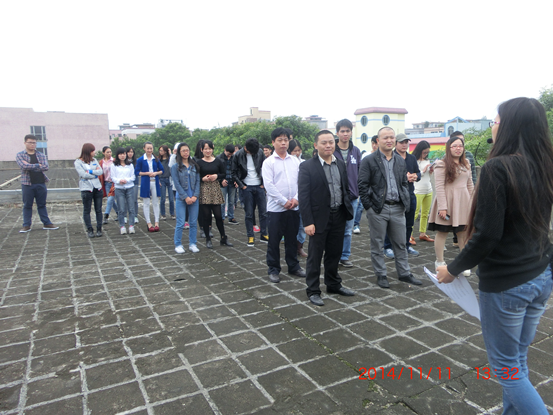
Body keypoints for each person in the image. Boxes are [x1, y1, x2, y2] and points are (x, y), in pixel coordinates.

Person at [436, 97, 553, 414]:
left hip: (507, 284)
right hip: (541, 275)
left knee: (506, 369)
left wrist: (452, 269)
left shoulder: (497, 168)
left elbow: (487, 234)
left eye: (496, 121)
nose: (493, 126)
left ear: (510, 125)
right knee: (517, 360)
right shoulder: (545, 165)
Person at [358, 127, 422, 289]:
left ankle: (404, 273)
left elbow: (403, 183)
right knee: (377, 243)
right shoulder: (369, 160)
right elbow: (362, 185)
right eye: (385, 138)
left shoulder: (400, 160)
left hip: (397, 208)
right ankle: (381, 274)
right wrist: (369, 207)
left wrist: (404, 202)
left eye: (391, 137)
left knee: (401, 243)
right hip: (378, 209)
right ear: (378, 141)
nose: (389, 140)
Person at [299, 130, 354, 306]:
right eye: (324, 142)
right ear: (316, 145)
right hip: (318, 218)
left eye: (331, 142)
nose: (328, 145)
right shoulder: (307, 166)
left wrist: (346, 209)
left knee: (334, 253)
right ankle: (313, 290)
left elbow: (344, 188)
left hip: (338, 215)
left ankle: (333, 284)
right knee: (315, 256)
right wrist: (308, 222)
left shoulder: (340, 164)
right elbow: (304, 196)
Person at [262, 128, 306, 283]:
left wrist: (296, 199)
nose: (283, 143)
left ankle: (293, 266)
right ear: (273, 142)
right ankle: (273, 269)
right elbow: (269, 185)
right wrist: (283, 201)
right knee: (274, 240)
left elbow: (301, 182)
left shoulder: (295, 161)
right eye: (280, 140)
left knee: (292, 239)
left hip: (293, 207)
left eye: (286, 140)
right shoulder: (268, 163)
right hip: (276, 209)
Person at [427, 135, 474, 274]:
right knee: (442, 232)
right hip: (447, 201)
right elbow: (439, 187)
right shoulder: (442, 164)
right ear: (449, 148)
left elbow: (470, 184)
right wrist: (443, 207)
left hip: (463, 202)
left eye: (461, 146)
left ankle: (463, 263)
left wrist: (473, 203)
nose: (458, 148)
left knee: (463, 233)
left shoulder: (466, 163)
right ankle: (440, 261)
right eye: (455, 146)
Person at [383, 133, 421, 258]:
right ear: (396, 144)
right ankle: (388, 247)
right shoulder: (390, 157)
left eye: (406, 142)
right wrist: (404, 177)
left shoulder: (411, 158)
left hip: (409, 193)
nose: (404, 145)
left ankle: (406, 245)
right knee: (391, 223)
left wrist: (415, 176)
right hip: (395, 195)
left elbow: (418, 173)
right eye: (401, 142)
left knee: (409, 222)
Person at [333, 119, 362, 267]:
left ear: (351, 132)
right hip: (335, 197)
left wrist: (358, 190)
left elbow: (360, 173)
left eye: (348, 131)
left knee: (348, 230)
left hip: (352, 197)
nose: (345, 134)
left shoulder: (355, 151)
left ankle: (344, 256)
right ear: (337, 133)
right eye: (342, 131)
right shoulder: (332, 150)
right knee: (334, 228)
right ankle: (333, 255)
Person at [16, 134, 59, 232]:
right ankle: (26, 225)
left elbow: (46, 167)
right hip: (27, 184)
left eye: (34, 143)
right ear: (25, 143)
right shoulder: (20, 155)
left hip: (40, 183)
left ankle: (47, 223)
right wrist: (37, 165)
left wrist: (30, 165)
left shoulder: (41, 155)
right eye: (30, 142)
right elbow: (23, 166)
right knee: (27, 205)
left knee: (42, 204)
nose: (32, 144)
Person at [197, 140, 233, 249]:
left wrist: (217, 176)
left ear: (212, 149)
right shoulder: (199, 163)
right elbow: (196, 177)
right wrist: (203, 179)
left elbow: (223, 174)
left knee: (218, 215)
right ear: (202, 150)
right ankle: (208, 238)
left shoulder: (218, 161)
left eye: (210, 148)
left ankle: (223, 237)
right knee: (206, 216)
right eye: (205, 149)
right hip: (204, 189)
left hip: (215, 188)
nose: (208, 151)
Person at [232, 138, 268, 246]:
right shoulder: (238, 155)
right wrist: (242, 185)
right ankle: (250, 236)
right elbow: (233, 172)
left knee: (263, 212)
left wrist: (263, 183)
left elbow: (265, 167)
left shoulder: (259, 152)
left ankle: (264, 234)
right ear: (245, 148)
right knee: (249, 213)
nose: (253, 154)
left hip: (259, 186)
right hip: (246, 187)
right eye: (251, 152)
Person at [449, 131, 477, 247]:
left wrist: (473, 190)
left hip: (466, 191)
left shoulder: (468, 156)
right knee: (454, 218)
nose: (459, 146)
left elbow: (472, 174)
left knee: (466, 219)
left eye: (462, 142)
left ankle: (464, 240)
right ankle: (456, 238)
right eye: (456, 143)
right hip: (453, 193)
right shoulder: (446, 158)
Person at [172, 143, 200, 254]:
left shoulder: (194, 166)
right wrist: (185, 197)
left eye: (187, 150)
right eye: (183, 150)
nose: (185, 152)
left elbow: (198, 181)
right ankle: (178, 244)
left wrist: (195, 195)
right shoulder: (175, 167)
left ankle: (193, 243)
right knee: (180, 222)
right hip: (181, 198)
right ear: (179, 152)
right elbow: (176, 184)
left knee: (193, 222)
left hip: (194, 198)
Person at [74, 143, 103, 238]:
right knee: (87, 210)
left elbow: (100, 171)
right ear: (88, 151)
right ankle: (89, 229)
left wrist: (90, 171)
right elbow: (83, 174)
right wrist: (94, 174)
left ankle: (99, 228)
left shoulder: (94, 160)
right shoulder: (78, 162)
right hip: (86, 188)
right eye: (92, 151)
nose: (94, 152)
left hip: (97, 187)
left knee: (98, 209)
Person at [135, 141, 164, 232]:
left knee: (155, 202)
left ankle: (156, 222)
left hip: (155, 182)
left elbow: (162, 170)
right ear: (144, 148)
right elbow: (137, 172)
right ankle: (148, 223)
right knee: (146, 203)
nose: (149, 150)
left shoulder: (156, 159)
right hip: (145, 183)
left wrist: (156, 173)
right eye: (148, 148)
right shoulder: (140, 160)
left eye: (151, 148)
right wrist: (146, 173)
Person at [353, 135, 378, 234]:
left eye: (377, 143)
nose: (375, 145)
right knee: (361, 206)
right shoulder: (366, 156)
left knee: (375, 207)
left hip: (377, 187)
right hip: (367, 185)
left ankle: (372, 226)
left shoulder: (383, 156)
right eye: (374, 143)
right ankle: (356, 224)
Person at [411, 140, 434, 243]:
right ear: (420, 150)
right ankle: (409, 234)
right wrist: (423, 171)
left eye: (427, 152)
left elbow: (428, 176)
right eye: (424, 152)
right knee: (414, 214)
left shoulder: (427, 161)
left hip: (428, 189)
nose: (426, 154)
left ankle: (423, 233)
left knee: (425, 213)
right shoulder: (413, 161)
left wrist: (431, 170)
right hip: (417, 190)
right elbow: (414, 176)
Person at [288, 139, 307, 257]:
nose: (297, 153)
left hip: (303, 197)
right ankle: (291, 246)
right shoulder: (287, 164)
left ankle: (299, 246)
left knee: (303, 224)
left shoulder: (304, 163)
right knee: (292, 225)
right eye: (294, 151)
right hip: (291, 199)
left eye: (299, 150)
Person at [111, 148, 136, 235]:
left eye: (124, 154)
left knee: (131, 208)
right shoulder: (114, 165)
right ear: (117, 155)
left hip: (129, 187)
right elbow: (113, 177)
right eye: (120, 154)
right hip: (119, 188)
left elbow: (133, 177)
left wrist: (126, 180)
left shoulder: (130, 165)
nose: (122, 156)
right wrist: (119, 181)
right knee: (121, 209)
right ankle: (122, 226)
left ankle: (131, 226)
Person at [218, 144, 239, 225]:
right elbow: (217, 171)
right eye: (228, 153)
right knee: (222, 201)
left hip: (232, 181)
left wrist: (236, 181)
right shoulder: (219, 158)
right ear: (225, 150)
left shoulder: (235, 158)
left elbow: (237, 170)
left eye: (231, 154)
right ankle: (222, 218)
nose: (229, 155)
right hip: (223, 181)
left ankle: (231, 217)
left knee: (231, 201)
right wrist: (221, 180)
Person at [100, 146, 118, 224]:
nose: (109, 153)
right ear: (103, 153)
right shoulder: (101, 162)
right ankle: (119, 213)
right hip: (106, 183)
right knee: (111, 200)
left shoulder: (114, 161)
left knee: (110, 199)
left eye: (110, 152)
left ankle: (106, 215)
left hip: (113, 183)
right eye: (107, 152)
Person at [158, 145, 175, 220]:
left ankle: (172, 213)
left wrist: (170, 153)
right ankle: (163, 214)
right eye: (160, 150)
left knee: (171, 198)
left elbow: (174, 160)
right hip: (162, 179)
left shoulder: (170, 159)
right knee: (163, 198)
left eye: (162, 150)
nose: (160, 152)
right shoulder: (158, 160)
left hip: (170, 179)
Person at [126, 146, 139, 225]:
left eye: (132, 152)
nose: (130, 153)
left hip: (134, 182)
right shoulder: (123, 161)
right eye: (129, 152)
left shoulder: (136, 161)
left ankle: (135, 216)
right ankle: (125, 216)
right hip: (125, 182)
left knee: (134, 200)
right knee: (125, 200)